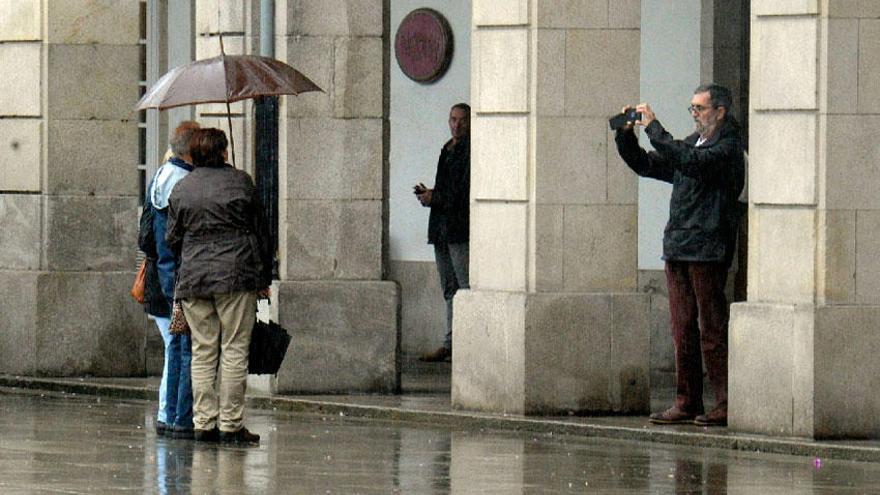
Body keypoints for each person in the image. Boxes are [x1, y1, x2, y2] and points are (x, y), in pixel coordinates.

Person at [614, 84, 744, 427]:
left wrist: (655, 128)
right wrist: (627, 137)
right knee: (682, 327)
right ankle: (687, 401)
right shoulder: (691, 144)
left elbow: (692, 162)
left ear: (720, 111)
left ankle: (726, 402)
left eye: (700, 108)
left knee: (711, 329)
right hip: (679, 246)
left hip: (708, 247)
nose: (695, 114)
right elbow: (647, 165)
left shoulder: (727, 147)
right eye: (692, 109)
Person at [166, 128, 272, 445]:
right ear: (223, 152)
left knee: (202, 352)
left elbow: (173, 239)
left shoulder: (182, 188)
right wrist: (264, 276)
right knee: (235, 350)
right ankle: (230, 424)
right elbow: (261, 231)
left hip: (194, 280)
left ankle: (203, 423)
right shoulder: (241, 182)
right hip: (237, 276)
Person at [139, 121, 200, 439]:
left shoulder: (162, 175)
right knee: (180, 348)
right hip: (173, 279)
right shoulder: (180, 181)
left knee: (175, 347)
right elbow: (168, 245)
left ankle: (169, 414)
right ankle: (175, 415)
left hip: (164, 278)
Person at [415, 103, 471, 363]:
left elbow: (461, 192)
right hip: (441, 228)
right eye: (452, 119)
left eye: (461, 120)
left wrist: (433, 197)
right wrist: (431, 194)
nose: (456, 125)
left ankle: (467, 342)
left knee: (464, 287)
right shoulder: (447, 149)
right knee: (449, 287)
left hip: (458, 227)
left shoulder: (469, 151)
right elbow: (447, 188)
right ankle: (451, 342)